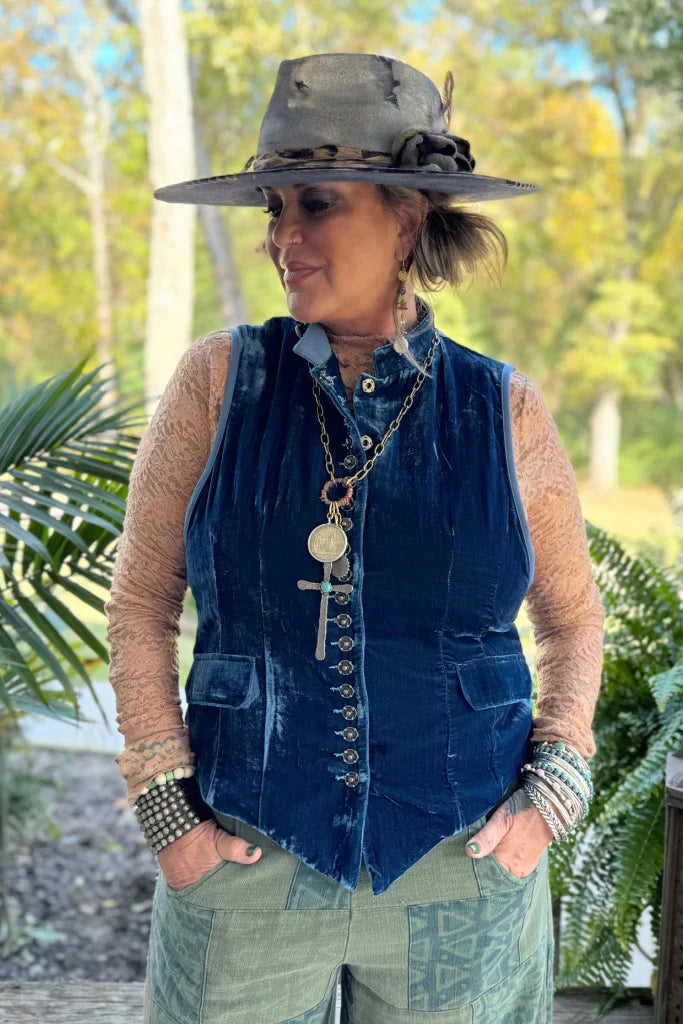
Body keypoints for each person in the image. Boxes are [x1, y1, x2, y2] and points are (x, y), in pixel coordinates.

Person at [105, 52, 604, 1024]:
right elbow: (138, 604)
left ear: (406, 218)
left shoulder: (500, 408)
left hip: (461, 866)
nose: (281, 237)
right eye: (273, 209)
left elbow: (573, 620)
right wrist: (166, 807)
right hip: (244, 859)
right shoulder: (218, 382)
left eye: (316, 204)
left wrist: (552, 791)